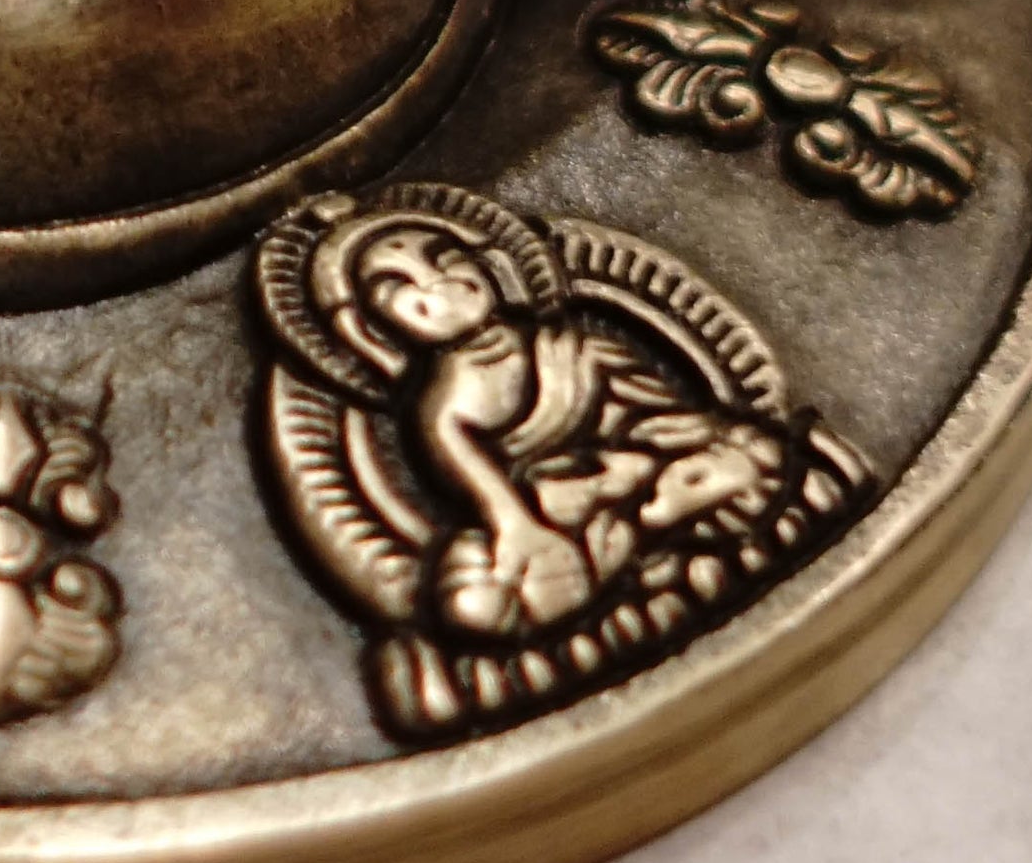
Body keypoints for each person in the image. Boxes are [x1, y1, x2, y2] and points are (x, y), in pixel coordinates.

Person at [323, 211, 793, 643]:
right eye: (396, 288)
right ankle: (653, 533)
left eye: (447, 261)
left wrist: (640, 462)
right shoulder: (442, 410)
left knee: (746, 460)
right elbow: (498, 505)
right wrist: (529, 533)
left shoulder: (572, 347)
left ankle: (663, 517)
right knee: (476, 604)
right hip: (556, 521)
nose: (438, 286)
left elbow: (664, 420)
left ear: (491, 268)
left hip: (651, 472)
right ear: (372, 329)